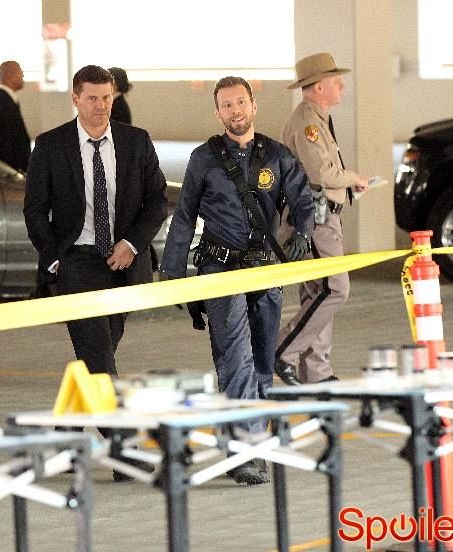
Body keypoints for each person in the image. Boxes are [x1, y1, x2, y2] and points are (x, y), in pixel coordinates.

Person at [160, 76, 313, 485]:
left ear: (253, 105)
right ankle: (246, 452)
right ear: (218, 113)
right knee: (236, 358)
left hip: (265, 269)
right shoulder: (204, 159)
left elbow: (303, 198)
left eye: (241, 102)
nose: (235, 110)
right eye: (227, 105)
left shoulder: (276, 155)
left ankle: (251, 442)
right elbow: (184, 214)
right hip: (220, 271)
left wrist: (302, 232)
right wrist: (173, 271)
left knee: (261, 361)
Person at [24, 64, 167, 378]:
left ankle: (81, 410)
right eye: (92, 98)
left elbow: (157, 200)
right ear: (75, 99)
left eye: (106, 97)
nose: (101, 105)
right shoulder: (51, 145)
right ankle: (114, 412)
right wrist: (54, 258)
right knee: (99, 356)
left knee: (99, 355)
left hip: (123, 263)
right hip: (75, 261)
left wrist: (131, 244)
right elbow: (34, 209)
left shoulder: (136, 141)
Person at [275, 53, 369, 385]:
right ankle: (281, 350)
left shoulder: (317, 118)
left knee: (319, 292)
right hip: (313, 219)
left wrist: (348, 186)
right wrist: (351, 176)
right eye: (335, 81)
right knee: (334, 288)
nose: (342, 85)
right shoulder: (308, 123)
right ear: (317, 87)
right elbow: (320, 172)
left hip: (324, 215)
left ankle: (316, 371)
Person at [0, 60, 31, 172]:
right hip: (9, 173)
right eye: (20, 71)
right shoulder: (1, 105)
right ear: (10, 75)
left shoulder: (6, 101)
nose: (23, 75)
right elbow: (2, 145)